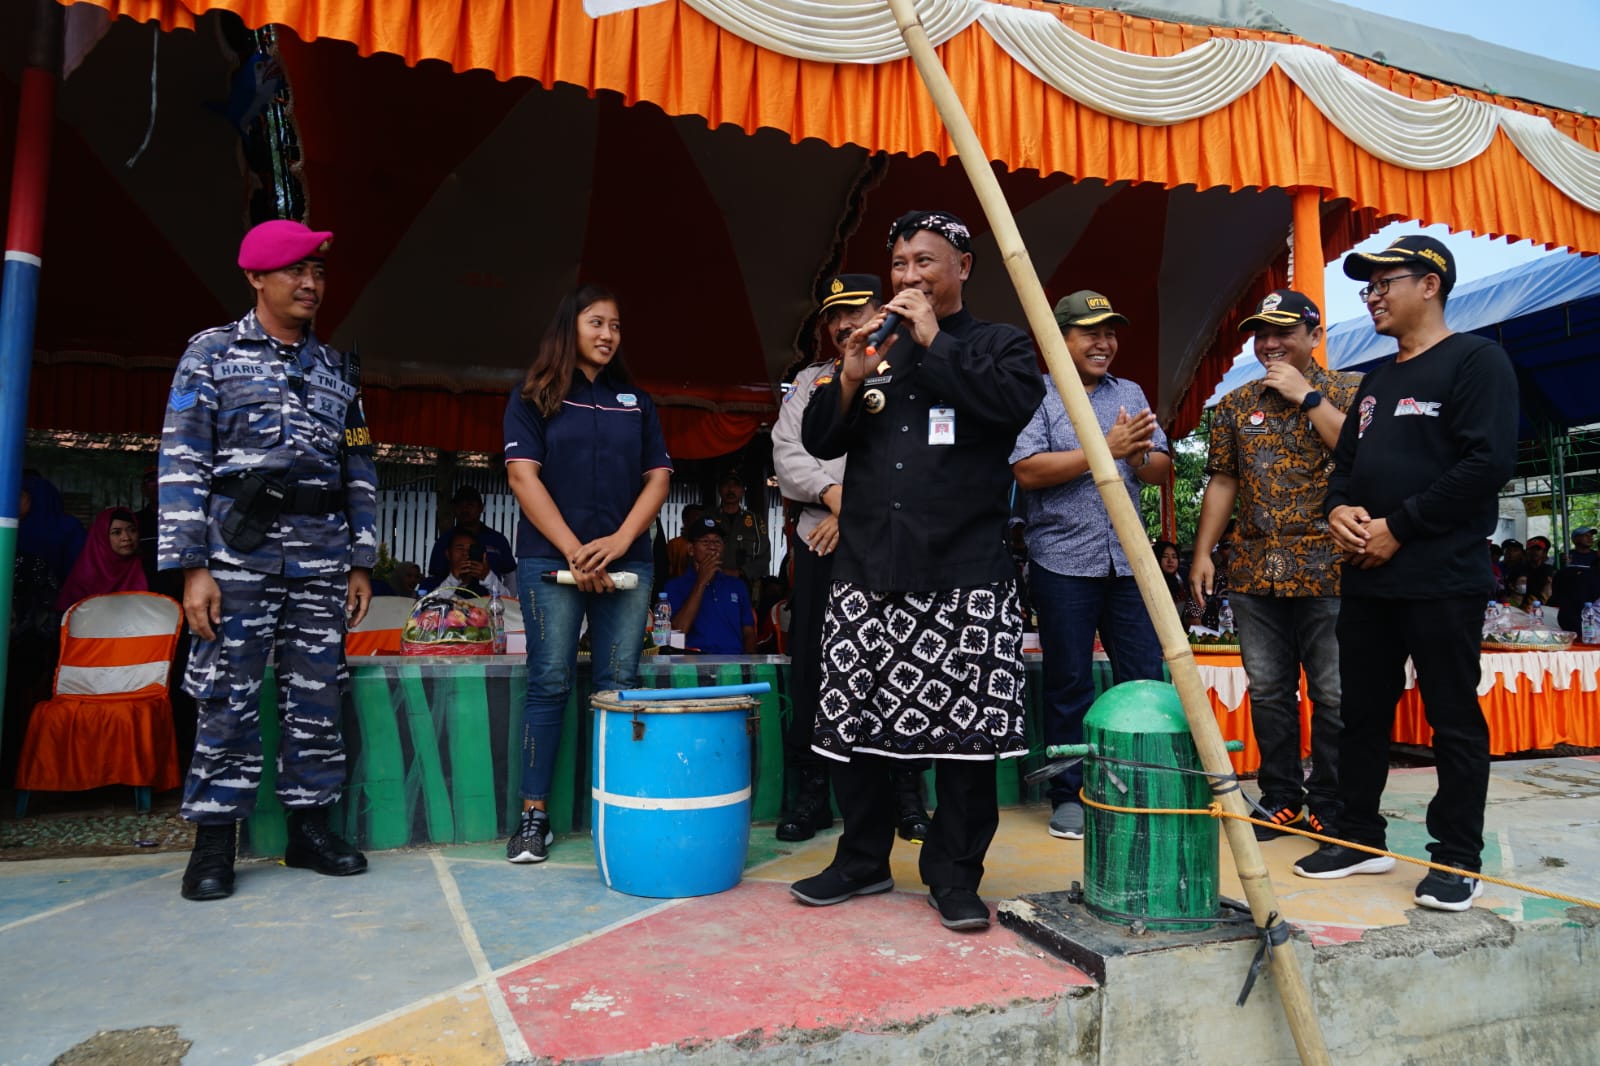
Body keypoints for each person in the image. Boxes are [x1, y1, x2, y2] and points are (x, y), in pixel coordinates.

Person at [793, 209, 1044, 932]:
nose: (909, 277)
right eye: (901, 264)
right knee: (853, 727)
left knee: (967, 740)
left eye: (925, 262)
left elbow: (1007, 408)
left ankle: (954, 875)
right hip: (869, 568)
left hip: (965, 571)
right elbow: (820, 438)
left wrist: (933, 343)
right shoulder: (876, 346)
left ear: (963, 267)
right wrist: (847, 375)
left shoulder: (1000, 345)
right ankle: (862, 859)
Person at [1294, 234, 1518, 914]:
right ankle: (1358, 836)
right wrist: (1339, 513)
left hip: (1443, 575)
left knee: (1452, 716)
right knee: (1357, 713)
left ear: (1431, 285)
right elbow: (1347, 471)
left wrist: (1402, 525)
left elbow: (1486, 465)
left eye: (1387, 281)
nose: (1373, 294)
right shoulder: (1375, 381)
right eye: (1368, 284)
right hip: (1367, 576)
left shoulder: (1478, 362)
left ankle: (1456, 856)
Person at [159, 218, 378, 902]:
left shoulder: (339, 371)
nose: (311, 283)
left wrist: (361, 560)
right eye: (295, 271)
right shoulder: (211, 354)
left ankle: (309, 832)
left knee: (316, 694)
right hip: (236, 557)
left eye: (317, 272)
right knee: (226, 694)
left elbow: (359, 465)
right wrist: (192, 565)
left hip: (320, 561)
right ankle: (215, 842)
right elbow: (182, 460)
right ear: (257, 277)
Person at [503, 284, 671, 864]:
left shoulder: (637, 401)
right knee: (549, 683)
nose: (607, 335)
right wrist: (577, 551)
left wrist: (621, 542)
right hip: (552, 562)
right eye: (596, 322)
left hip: (628, 562)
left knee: (618, 687)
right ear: (568, 328)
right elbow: (524, 477)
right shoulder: (534, 396)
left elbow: (658, 480)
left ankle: (615, 811)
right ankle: (533, 818)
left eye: (616, 326)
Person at [1191, 289, 1362, 841]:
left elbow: (1363, 457)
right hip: (1254, 569)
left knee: (1334, 693)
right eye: (1262, 334)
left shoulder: (1353, 392)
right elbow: (1223, 480)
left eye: (1284, 331)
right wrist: (1202, 552)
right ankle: (1282, 797)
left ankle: (1333, 802)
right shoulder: (1236, 404)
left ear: (1315, 336)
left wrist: (1308, 397)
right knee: (1268, 691)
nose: (1270, 344)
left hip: (1333, 566)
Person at [770, 273, 932, 844]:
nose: (843, 324)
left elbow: (916, 459)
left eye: (855, 311)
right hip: (822, 546)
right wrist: (835, 497)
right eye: (834, 315)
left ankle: (907, 798)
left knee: (899, 670)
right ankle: (810, 795)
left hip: (892, 544)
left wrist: (856, 512)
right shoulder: (809, 381)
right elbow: (787, 454)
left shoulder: (911, 374)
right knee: (814, 670)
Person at [1010, 290, 1171, 841]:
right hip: (1062, 562)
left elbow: (1157, 469)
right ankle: (1070, 794)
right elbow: (1027, 470)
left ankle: (1148, 784)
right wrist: (1106, 447)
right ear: (1060, 339)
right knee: (1069, 682)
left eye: (1109, 332)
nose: (1103, 342)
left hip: (1128, 562)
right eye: (1089, 332)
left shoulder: (1129, 391)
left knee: (1145, 677)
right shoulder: (1038, 394)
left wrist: (1140, 453)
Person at [663, 517, 756, 654]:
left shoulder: (737, 585)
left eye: (717, 542)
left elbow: (749, 633)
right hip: (694, 665)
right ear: (691, 549)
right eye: (705, 541)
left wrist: (748, 668)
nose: (712, 546)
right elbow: (676, 634)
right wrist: (701, 583)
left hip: (733, 665)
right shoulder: (675, 586)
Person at [55, 506, 149, 612]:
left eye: (132, 530)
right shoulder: (84, 575)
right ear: (102, 537)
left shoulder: (148, 567)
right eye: (116, 532)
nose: (126, 537)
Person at [427, 484, 516, 586]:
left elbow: (510, 575)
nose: (464, 510)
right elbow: (434, 577)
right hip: (453, 599)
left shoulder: (498, 540)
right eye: (460, 506)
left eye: (470, 505)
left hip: (490, 599)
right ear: (454, 509)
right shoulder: (444, 541)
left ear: (481, 508)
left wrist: (506, 600)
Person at [18, 471, 86, 587]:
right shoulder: (9, 529)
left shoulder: (67, 528)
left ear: (36, 495)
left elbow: (78, 573)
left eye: (19, 496)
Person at [714, 470, 767, 593]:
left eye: (736, 485)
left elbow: (764, 556)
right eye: (726, 484)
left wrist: (741, 572)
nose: (731, 489)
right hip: (712, 582)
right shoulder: (708, 517)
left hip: (744, 585)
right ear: (720, 489)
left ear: (743, 491)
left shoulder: (755, 521)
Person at [417, 531, 509, 599]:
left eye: (471, 549)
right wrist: (453, 579)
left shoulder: (483, 587)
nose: (465, 553)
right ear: (448, 554)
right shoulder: (430, 584)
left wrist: (488, 576)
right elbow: (424, 610)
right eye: (460, 548)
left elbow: (508, 604)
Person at [666, 503, 706, 580]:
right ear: (685, 521)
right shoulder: (674, 545)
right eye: (696, 519)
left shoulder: (708, 545)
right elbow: (668, 572)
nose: (699, 523)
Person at [1153, 540, 1186, 612]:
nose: (1170, 560)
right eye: (1165, 556)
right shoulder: (1152, 584)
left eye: (1174, 557)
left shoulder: (1183, 579)